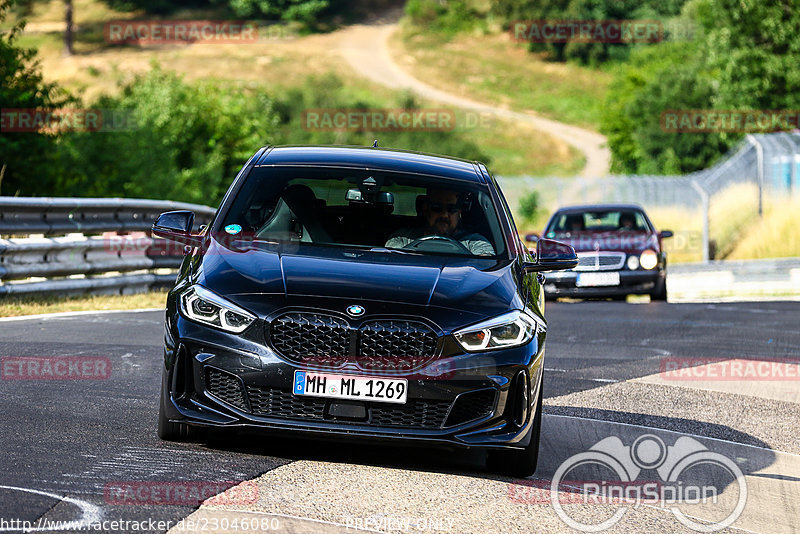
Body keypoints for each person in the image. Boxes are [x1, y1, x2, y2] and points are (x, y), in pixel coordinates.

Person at [385, 189, 494, 256]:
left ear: (460, 212)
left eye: (452, 209)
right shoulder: (401, 239)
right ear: (425, 209)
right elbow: (392, 265)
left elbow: (484, 268)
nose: (444, 215)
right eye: (437, 208)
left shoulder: (475, 242)